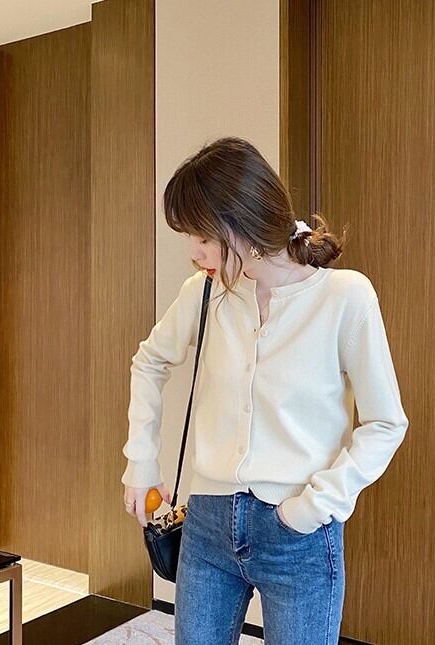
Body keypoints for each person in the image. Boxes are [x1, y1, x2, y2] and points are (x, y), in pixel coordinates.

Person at [121, 136, 409, 644]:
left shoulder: (344, 297)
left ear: (244, 225)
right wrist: (141, 462)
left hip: (299, 534)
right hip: (207, 524)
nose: (194, 253)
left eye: (202, 237)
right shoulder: (205, 293)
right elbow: (150, 361)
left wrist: (314, 506)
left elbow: (386, 423)